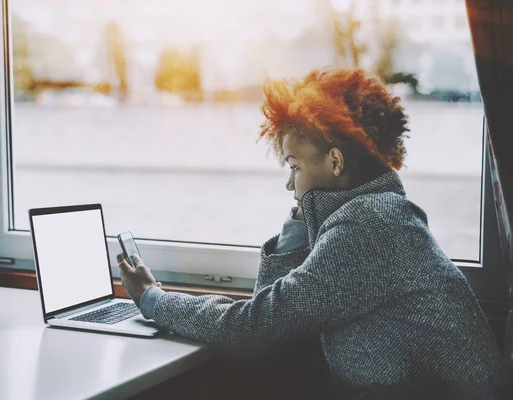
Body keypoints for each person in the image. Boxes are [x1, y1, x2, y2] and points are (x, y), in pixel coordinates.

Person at [117, 68, 506, 399]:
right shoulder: (377, 214)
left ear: (334, 161)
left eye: (294, 166)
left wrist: (152, 299)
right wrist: (298, 226)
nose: (290, 184)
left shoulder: (369, 226)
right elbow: (272, 323)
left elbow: (253, 328)